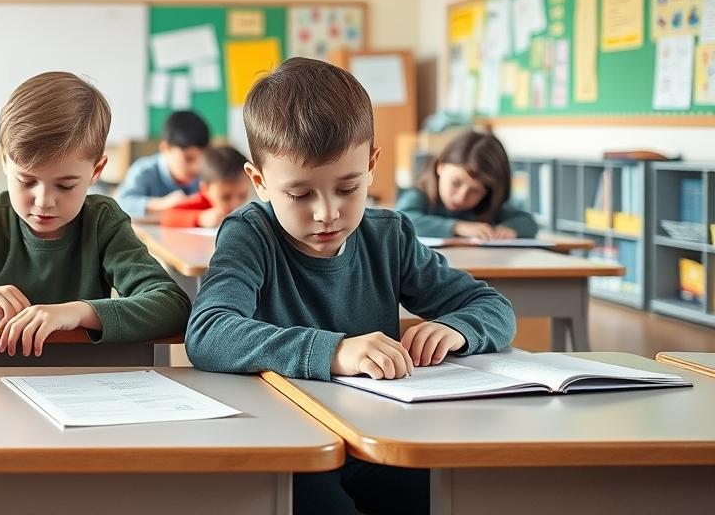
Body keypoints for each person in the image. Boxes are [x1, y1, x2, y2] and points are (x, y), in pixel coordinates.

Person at [184, 58, 515, 515]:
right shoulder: (250, 234)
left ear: (372, 165)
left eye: (347, 188)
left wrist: (457, 329)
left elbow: (492, 306)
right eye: (299, 194)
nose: (327, 213)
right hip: (288, 443)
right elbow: (208, 333)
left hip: (375, 438)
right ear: (259, 182)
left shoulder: (389, 236)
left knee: (450, 495)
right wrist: (335, 351)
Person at [0, 72, 190, 356]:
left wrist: (78, 312)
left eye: (66, 186)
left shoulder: (102, 222)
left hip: (81, 377)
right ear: (5, 160)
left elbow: (172, 305)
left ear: (96, 171)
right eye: (27, 181)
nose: (44, 202)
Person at [395, 130, 538, 239]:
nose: (461, 197)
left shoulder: (488, 206)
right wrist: (457, 227)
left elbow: (528, 222)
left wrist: (510, 229)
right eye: (456, 182)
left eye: (475, 191)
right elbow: (401, 221)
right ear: (440, 166)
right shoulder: (420, 195)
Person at [114, 110, 210, 220]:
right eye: (188, 159)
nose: (196, 167)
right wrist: (162, 204)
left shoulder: (206, 174)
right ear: (166, 148)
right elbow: (120, 204)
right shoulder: (144, 170)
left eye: (201, 159)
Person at [160, 145, 253, 229]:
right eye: (226, 197)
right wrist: (201, 218)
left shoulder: (252, 208)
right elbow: (167, 217)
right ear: (206, 189)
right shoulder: (202, 202)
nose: (235, 204)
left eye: (243, 195)